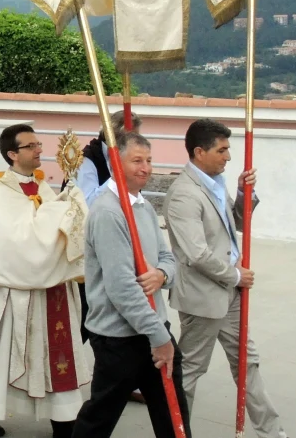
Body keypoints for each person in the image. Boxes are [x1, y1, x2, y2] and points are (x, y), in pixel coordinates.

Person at [164, 118, 286, 438]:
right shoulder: (184, 194)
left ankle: (271, 432)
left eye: (228, 149)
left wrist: (244, 193)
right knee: (190, 370)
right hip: (203, 296)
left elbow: (236, 224)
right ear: (199, 152)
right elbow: (196, 254)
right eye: (222, 150)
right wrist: (234, 275)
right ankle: (176, 431)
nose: (228, 157)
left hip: (230, 293)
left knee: (247, 362)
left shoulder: (213, 183)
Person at [0, 125, 90, 438]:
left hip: (53, 288)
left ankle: (64, 419)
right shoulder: (1, 193)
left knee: (57, 357)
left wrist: (68, 203)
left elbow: (50, 222)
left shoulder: (40, 184)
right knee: (6, 357)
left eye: (38, 143)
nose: (39, 149)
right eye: (31, 145)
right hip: (17, 293)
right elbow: (22, 240)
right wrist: (61, 211)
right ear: (12, 154)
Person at [71, 132, 191, 438]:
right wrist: (159, 337)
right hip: (119, 338)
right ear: (115, 163)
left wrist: (161, 274)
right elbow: (122, 289)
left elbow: (168, 258)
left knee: (173, 414)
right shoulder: (108, 212)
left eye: (149, 160)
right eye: (137, 160)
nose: (146, 168)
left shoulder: (143, 206)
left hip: (152, 326)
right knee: (99, 418)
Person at [74, 110, 140, 206]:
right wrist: (117, 176)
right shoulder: (88, 159)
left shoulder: (128, 159)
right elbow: (87, 203)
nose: (136, 145)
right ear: (115, 136)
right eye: (133, 139)